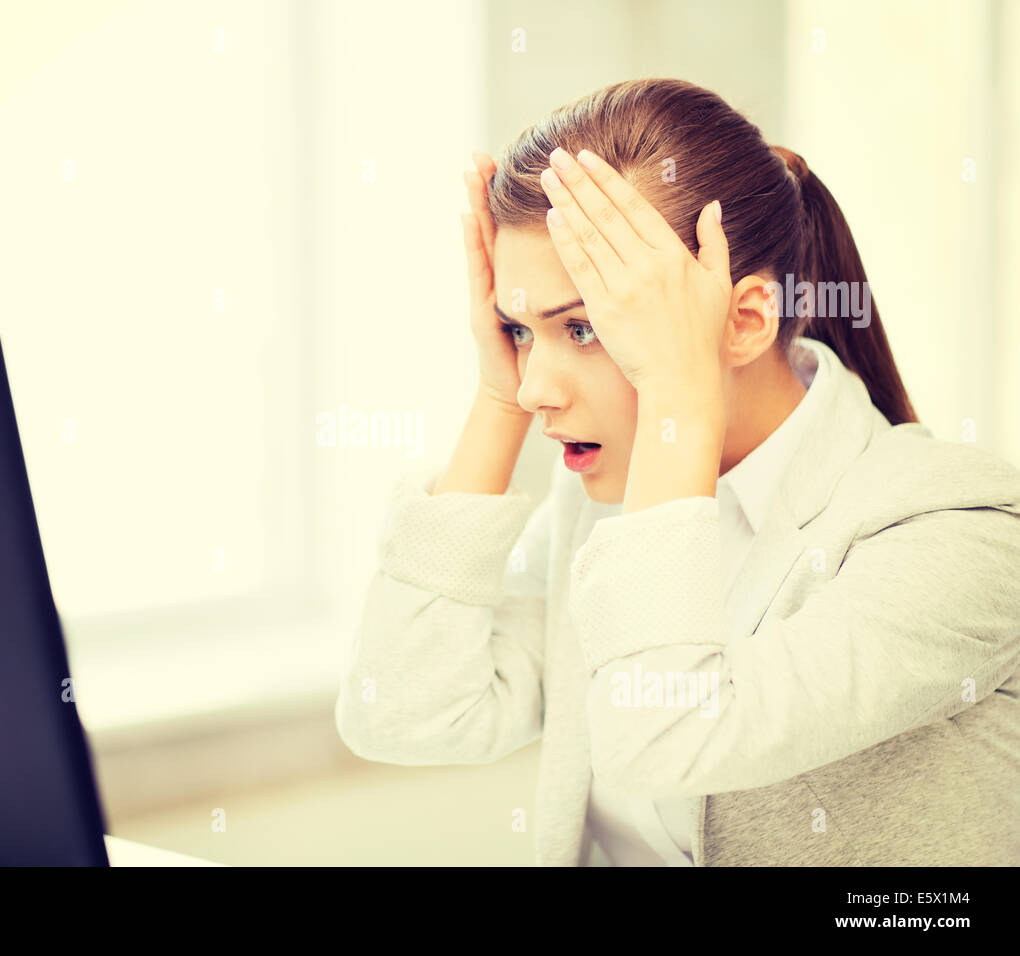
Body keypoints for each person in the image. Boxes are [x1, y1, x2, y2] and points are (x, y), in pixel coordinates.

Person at [334, 78, 1020, 866]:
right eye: (520, 329)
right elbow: (405, 714)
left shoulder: (959, 535)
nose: (535, 388)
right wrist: (495, 399)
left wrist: (677, 396)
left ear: (747, 319)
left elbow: (661, 736)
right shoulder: (599, 506)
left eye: (585, 326)